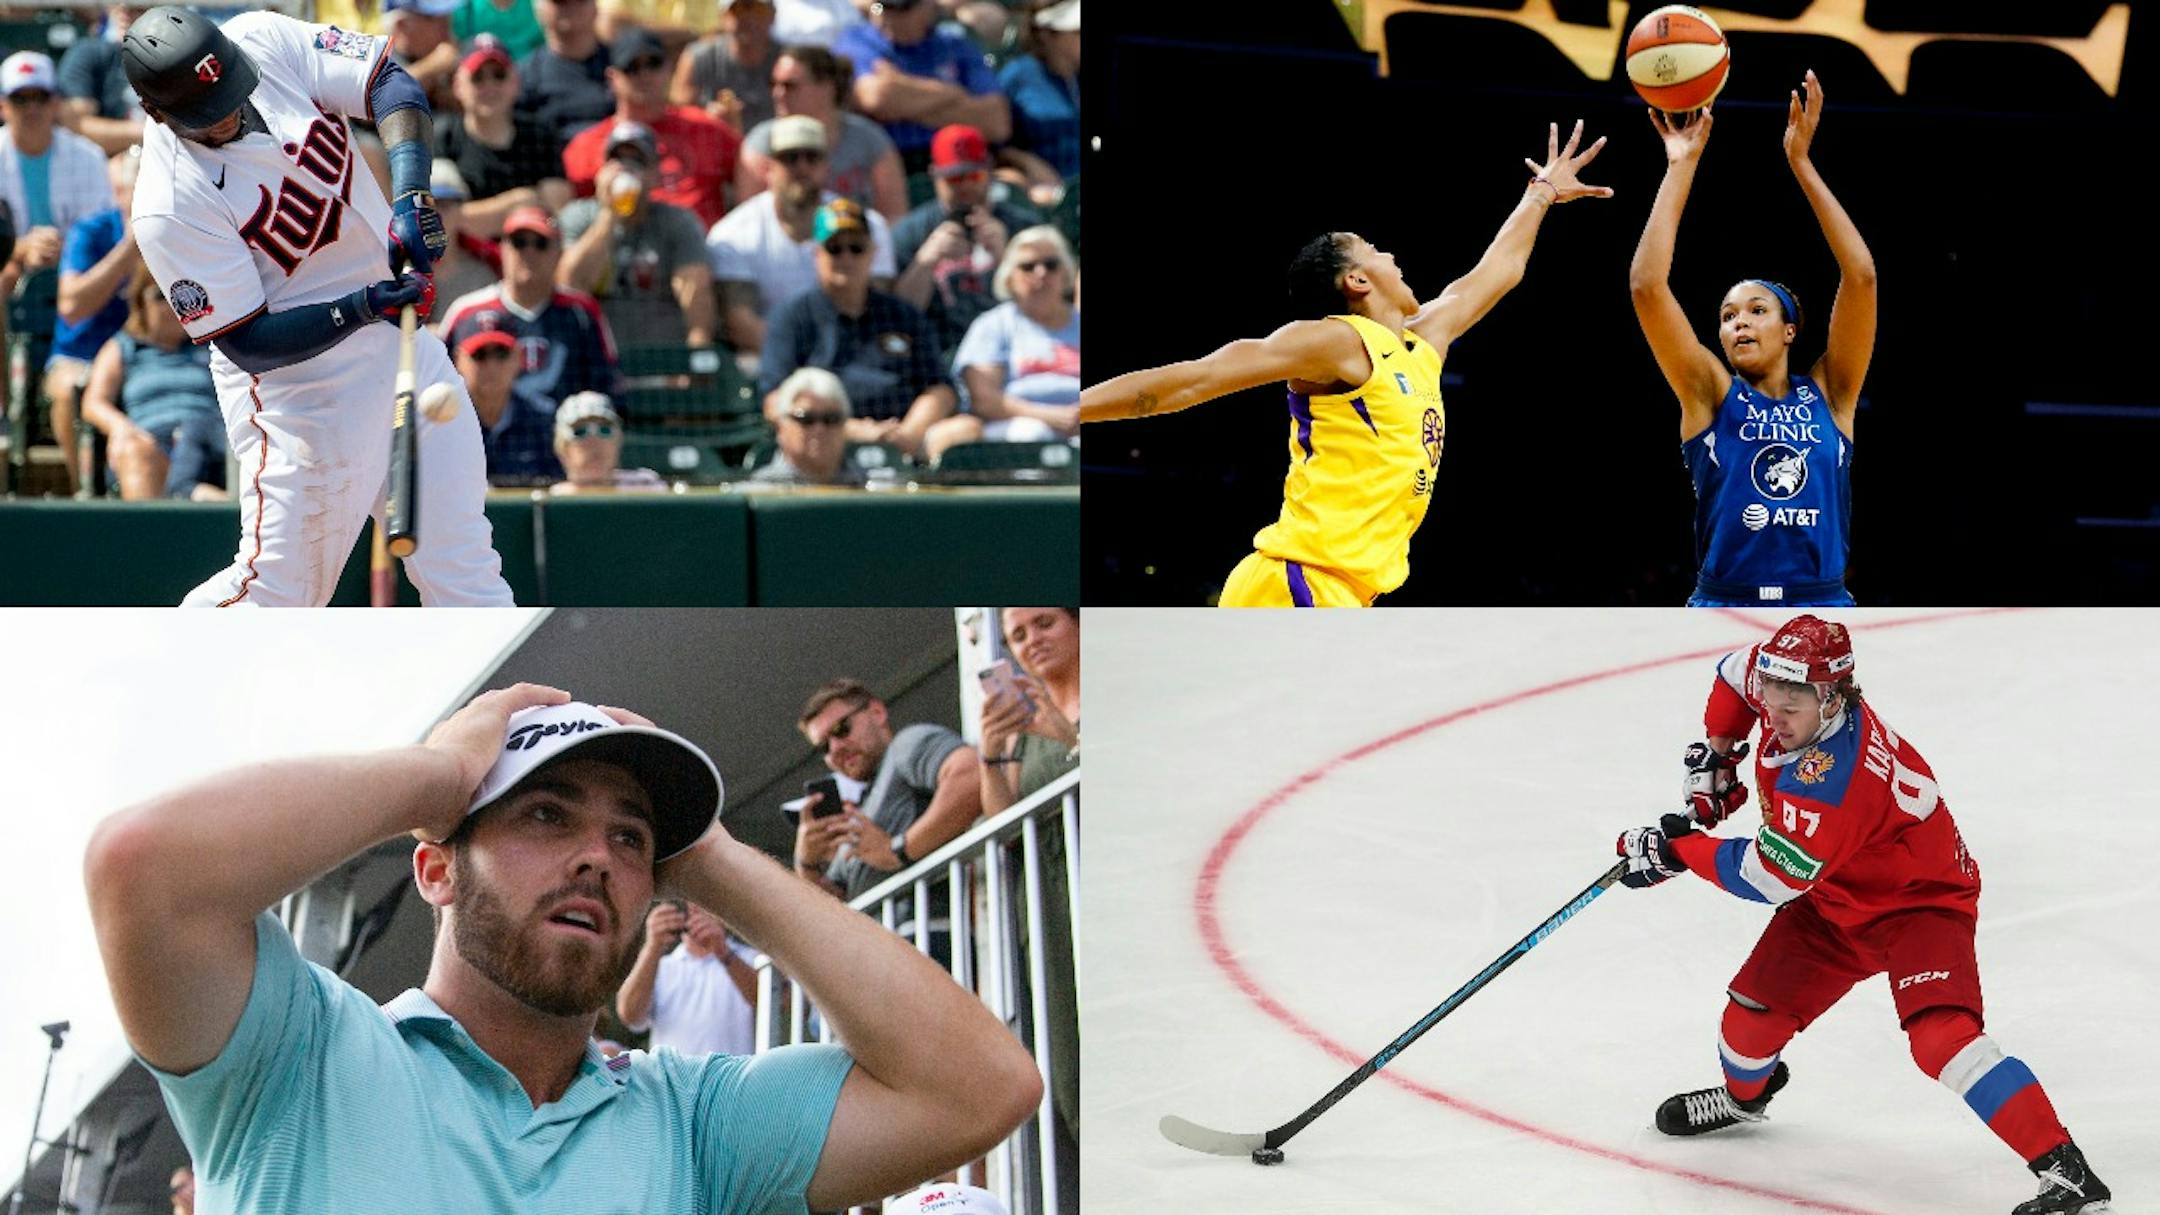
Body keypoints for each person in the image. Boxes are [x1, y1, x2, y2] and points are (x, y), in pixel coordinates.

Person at [85, 685, 1042, 1212]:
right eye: (547, 813)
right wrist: (440, 772)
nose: (598, 857)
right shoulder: (299, 1055)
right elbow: (142, 868)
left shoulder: (691, 1124)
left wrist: (704, 853)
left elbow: (981, 1088)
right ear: (435, 869)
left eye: (631, 837)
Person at [1613, 616, 2111, 1215]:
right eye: (1772, 694)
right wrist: (1720, 756)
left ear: (1832, 698)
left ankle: (2067, 1173)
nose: (1774, 713)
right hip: (1836, 901)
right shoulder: (1794, 686)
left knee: (1942, 1042)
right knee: (1745, 1028)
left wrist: (1677, 852)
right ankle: (1746, 1100)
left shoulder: (1837, 783)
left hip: (1919, 907)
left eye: (1790, 702)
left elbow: (1769, 877)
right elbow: (1733, 676)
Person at [1079, 121, 1613, 608]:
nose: (1393, 258)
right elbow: (1197, 379)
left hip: (1345, 591)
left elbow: (1499, 270)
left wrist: (1542, 194)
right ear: (1356, 282)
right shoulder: (1336, 341)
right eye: (1376, 251)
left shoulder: (1423, 343)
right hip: (1298, 580)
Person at [122, 7, 510, 607]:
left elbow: (390, 80)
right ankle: (169, 679)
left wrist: (410, 190)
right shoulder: (168, 202)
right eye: (207, 113)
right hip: (302, 397)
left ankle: (516, 704)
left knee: (465, 567)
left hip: (404, 348)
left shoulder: (264, 36)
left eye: (229, 90)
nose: (228, 112)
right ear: (155, 111)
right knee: (277, 593)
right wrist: (360, 305)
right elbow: (246, 340)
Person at [1628, 73, 1876, 608]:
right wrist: (1681, 165)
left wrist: (1802, 166)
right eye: (1727, 315)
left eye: (1756, 311)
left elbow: (1861, 276)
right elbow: (1647, 288)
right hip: (1725, 605)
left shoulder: (1832, 393)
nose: (1738, 322)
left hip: (1820, 603)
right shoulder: (1711, 394)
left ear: (1789, 331)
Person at [759, 198, 952, 458]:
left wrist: (907, 435)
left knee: (964, 430)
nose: (846, 257)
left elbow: (940, 388)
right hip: (824, 440)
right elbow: (774, 401)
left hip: (906, 443)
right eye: (835, 248)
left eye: (856, 248)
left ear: (873, 252)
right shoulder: (793, 317)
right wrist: (850, 430)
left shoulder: (902, 314)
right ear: (816, 253)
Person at [706, 113, 897, 353]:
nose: (802, 167)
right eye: (790, 158)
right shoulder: (732, 234)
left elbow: (876, 309)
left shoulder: (868, 226)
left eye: (812, 157)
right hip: (767, 358)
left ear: (826, 166)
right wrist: (807, 358)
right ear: (769, 167)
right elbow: (741, 324)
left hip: (852, 353)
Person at [791, 678, 982, 904]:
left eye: (841, 729)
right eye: (824, 747)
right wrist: (807, 864)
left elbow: (970, 775)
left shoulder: (905, 745)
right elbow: (833, 908)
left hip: (929, 929)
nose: (836, 748)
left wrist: (897, 850)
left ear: (877, 712)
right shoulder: (858, 812)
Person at [441, 204, 624, 420]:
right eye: (519, 242)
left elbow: (606, 386)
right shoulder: (466, 313)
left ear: (558, 252)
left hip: (561, 445)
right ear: (502, 249)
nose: (529, 252)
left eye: (540, 243)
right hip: (484, 442)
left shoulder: (581, 312)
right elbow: (439, 380)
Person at [558, 121, 720, 348]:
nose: (625, 169)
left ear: (655, 173)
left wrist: (694, 358)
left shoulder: (678, 222)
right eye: (617, 160)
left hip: (661, 363)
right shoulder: (578, 216)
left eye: (637, 161)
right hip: (598, 365)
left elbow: (696, 296)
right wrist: (609, 215)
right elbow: (570, 287)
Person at [920, 224, 1074, 460]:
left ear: (1065, 274)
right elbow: (984, 400)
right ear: (1009, 278)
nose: (1040, 273)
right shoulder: (992, 326)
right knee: (1032, 433)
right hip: (1016, 428)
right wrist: (1051, 416)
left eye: (1051, 265)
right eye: (1028, 267)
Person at [561, 29, 742, 230]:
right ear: (612, 78)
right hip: (626, 251)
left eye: (653, 63)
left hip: (703, 248)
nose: (644, 74)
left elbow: (750, 185)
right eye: (632, 67)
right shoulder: (586, 146)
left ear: (669, 69)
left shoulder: (707, 128)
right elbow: (570, 218)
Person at [891, 124, 1041, 359]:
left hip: (1016, 348)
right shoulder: (910, 232)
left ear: (990, 171)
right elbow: (895, 319)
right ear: (934, 175)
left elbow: (1048, 306)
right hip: (936, 353)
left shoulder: (1024, 228)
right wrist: (926, 261)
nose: (965, 186)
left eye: (974, 175)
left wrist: (1007, 257)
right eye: (954, 178)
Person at [79, 269, 226, 500]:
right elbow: (93, 403)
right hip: (152, 444)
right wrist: (122, 429)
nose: (170, 306)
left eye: (178, 297)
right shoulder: (123, 347)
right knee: (134, 451)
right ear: (140, 303)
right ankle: (149, 535)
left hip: (212, 447)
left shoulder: (213, 347)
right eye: (160, 296)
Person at [52, 145, 143, 493]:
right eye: (135, 185)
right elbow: (71, 305)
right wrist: (130, 250)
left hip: (148, 356)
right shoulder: (91, 231)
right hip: (82, 352)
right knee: (66, 390)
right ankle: (83, 494)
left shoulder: (175, 229)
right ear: (118, 192)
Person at [833, 0, 1007, 177]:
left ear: (928, 6)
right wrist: (953, 93)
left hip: (958, 164)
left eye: (901, 9)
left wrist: (901, 91)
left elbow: (996, 122)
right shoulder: (857, 40)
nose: (886, 15)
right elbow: (876, 99)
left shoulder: (954, 45)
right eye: (881, 6)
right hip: (892, 164)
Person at [734, 45, 907, 222]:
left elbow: (894, 215)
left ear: (827, 86)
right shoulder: (761, 143)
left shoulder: (869, 140)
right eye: (773, 84)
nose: (778, 93)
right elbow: (750, 217)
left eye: (790, 85)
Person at [434, 37, 572, 235]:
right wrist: (516, 203)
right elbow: (441, 220)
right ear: (458, 86)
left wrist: (473, 216)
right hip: (468, 258)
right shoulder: (443, 138)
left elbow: (558, 211)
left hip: (530, 250)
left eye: (499, 75)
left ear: (516, 81)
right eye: (477, 77)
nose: (489, 86)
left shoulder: (540, 135)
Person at [616, 899, 761, 1056]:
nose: (694, 911)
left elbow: (772, 1002)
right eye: (689, 905)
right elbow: (629, 1015)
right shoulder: (659, 967)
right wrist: (653, 946)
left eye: (703, 905)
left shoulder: (752, 959)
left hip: (733, 1077)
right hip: (672, 1079)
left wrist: (722, 950)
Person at [514, 0, 616, 149]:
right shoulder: (523, 77)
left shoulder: (626, 66)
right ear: (538, 10)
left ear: (595, 6)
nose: (571, 7)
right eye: (560, 2)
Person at [672, 0, 781, 137]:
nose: (748, 18)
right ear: (723, 16)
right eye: (738, 10)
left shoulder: (789, 63)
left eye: (758, 10)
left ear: (773, 16)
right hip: (714, 147)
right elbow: (678, 112)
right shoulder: (698, 58)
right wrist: (706, 118)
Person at [57, 5, 151, 157]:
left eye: (137, 4)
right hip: (106, 163)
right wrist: (150, 132)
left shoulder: (179, 53)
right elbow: (75, 125)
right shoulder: (88, 51)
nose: (125, 8)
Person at [748, 365, 864, 485]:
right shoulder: (757, 494)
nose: (819, 429)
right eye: (806, 419)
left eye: (831, 419)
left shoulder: (877, 490)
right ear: (780, 427)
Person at [550, 389, 667, 491]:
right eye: (580, 431)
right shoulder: (548, 504)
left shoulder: (648, 487)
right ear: (563, 448)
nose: (594, 441)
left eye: (604, 430)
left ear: (617, 442)